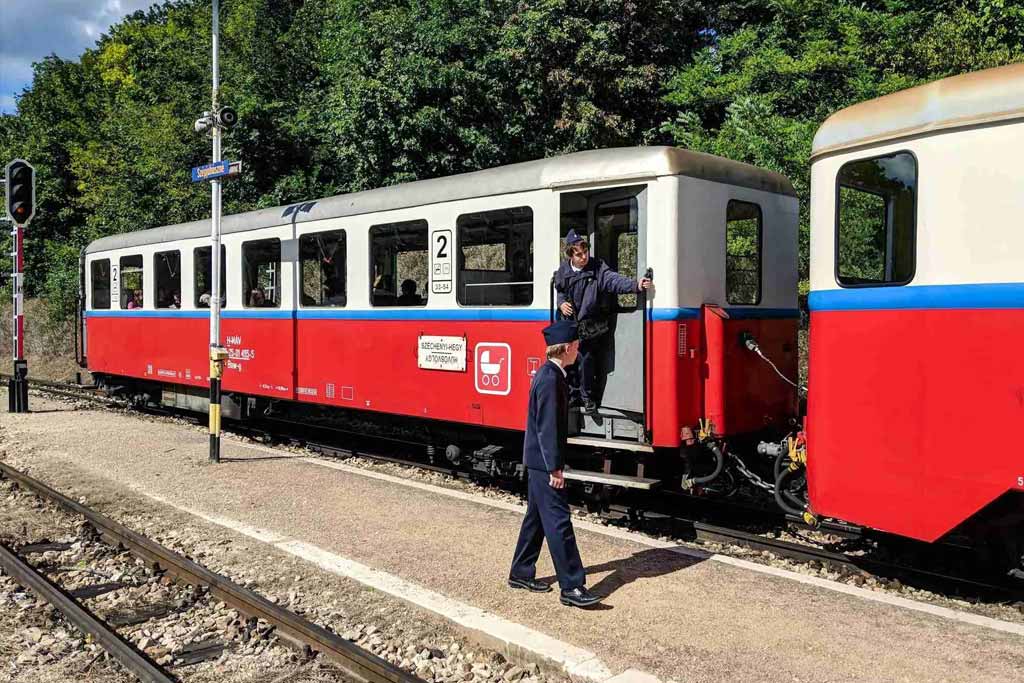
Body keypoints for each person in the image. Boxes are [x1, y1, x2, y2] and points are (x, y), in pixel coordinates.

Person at [508, 320, 600, 608]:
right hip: (544, 462)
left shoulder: (549, 373)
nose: (578, 349)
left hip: (537, 461)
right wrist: (555, 469)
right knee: (559, 521)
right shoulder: (550, 379)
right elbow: (548, 428)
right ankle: (571, 587)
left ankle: (521, 572)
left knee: (536, 518)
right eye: (576, 345)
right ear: (568, 347)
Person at [554, 229, 651, 414]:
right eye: (579, 254)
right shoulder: (563, 272)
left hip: (589, 325)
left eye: (585, 252)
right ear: (570, 256)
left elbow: (613, 280)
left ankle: (588, 398)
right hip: (570, 324)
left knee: (587, 361)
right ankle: (573, 396)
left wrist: (635, 285)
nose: (584, 257)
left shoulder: (597, 268)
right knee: (569, 361)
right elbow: (560, 292)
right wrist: (561, 303)